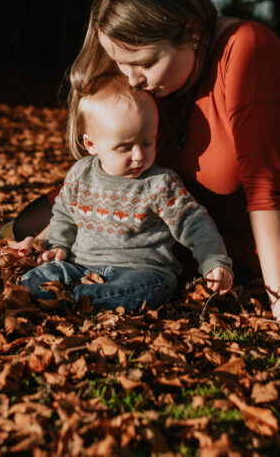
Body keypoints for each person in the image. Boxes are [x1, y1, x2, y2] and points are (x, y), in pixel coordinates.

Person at [7, 0, 280, 337]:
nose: (132, 80)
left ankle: (86, 294)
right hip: (139, 215)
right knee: (25, 224)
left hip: (207, 245)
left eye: (145, 63)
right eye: (123, 66)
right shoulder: (165, 78)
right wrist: (43, 240)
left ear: (189, 32)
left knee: (110, 278)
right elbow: (111, 169)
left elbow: (265, 189)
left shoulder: (248, 53)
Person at [19, 74, 234, 311]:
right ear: (91, 145)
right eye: (125, 147)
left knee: (145, 288)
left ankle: (78, 301)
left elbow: (194, 223)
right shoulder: (81, 174)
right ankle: (30, 293)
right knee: (42, 274)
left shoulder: (160, 184)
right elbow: (65, 214)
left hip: (142, 270)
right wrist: (59, 244)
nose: (139, 156)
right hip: (81, 266)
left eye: (147, 142)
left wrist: (213, 260)